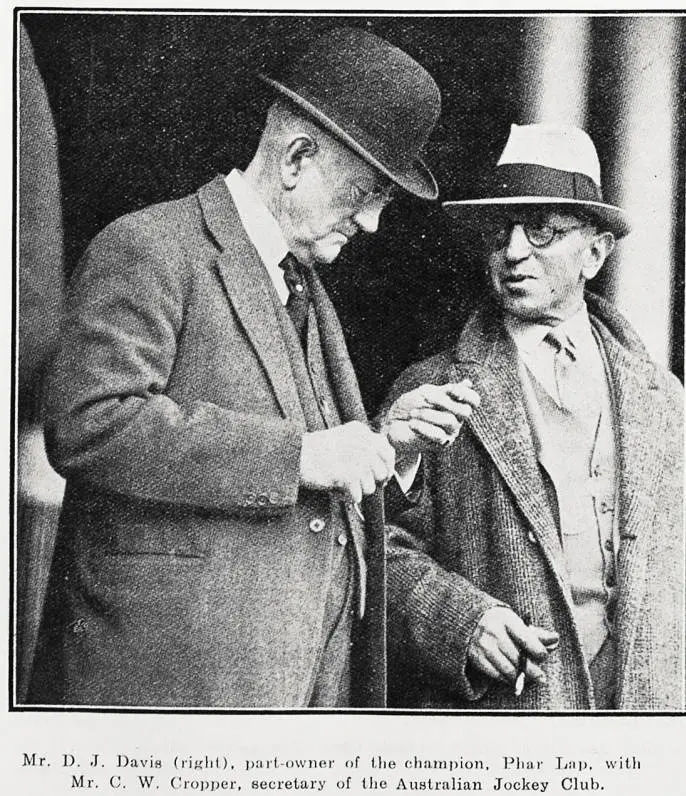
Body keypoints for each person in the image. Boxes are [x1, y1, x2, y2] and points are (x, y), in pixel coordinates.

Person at [28, 26, 450, 709]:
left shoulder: (307, 288)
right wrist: (304, 456)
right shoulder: (149, 247)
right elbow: (88, 424)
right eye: (365, 193)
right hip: (172, 702)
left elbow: (315, 475)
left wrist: (383, 442)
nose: (370, 224)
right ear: (297, 159)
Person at [382, 123, 684, 711]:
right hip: (509, 712)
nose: (514, 250)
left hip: (647, 708)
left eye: (542, 231)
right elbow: (371, 550)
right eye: (501, 232)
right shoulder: (430, 389)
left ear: (595, 253)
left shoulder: (663, 399)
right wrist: (463, 623)